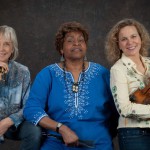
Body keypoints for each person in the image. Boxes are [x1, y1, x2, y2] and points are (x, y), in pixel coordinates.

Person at [23, 21, 118, 150]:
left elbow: (116, 111)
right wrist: (60, 128)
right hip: (57, 144)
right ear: (61, 49)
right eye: (70, 40)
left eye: (81, 40)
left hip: (98, 144)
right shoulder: (48, 74)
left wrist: (102, 136)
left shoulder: (102, 74)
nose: (76, 43)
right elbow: (32, 109)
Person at [105, 18, 150, 150]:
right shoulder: (118, 69)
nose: (130, 42)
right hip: (134, 134)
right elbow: (124, 109)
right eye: (124, 39)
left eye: (133, 36)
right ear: (118, 44)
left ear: (141, 38)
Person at [0, 25, 42, 150]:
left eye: (6, 44)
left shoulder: (23, 71)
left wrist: (8, 121)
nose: (1, 49)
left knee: (35, 132)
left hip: (14, 123)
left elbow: (28, 105)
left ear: (12, 48)